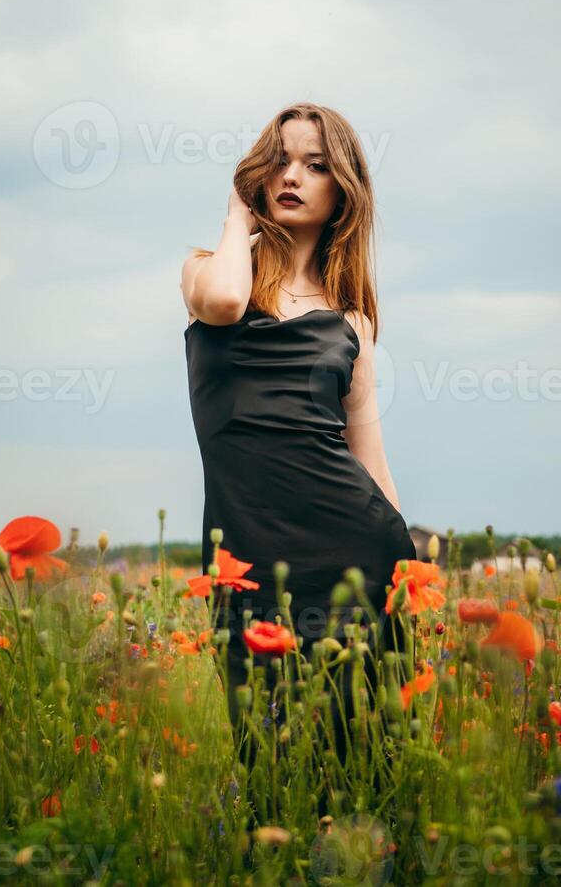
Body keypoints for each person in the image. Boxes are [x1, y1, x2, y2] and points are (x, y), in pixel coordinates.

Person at [180, 101, 416, 764]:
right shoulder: (206, 272)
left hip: (355, 556)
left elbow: (367, 456)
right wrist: (235, 216)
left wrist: (408, 573)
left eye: (314, 165)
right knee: (264, 757)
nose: (292, 175)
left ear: (342, 187)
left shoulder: (352, 322)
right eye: (278, 160)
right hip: (247, 555)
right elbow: (228, 303)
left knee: (362, 757)